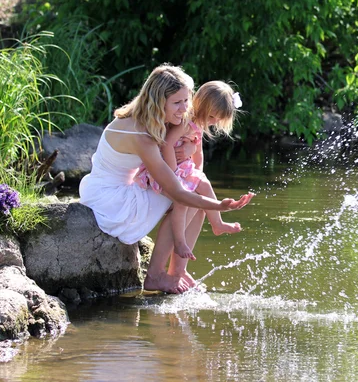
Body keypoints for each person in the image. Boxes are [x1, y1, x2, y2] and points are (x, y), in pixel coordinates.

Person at [79, 64, 254, 294]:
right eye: (177, 102)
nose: (185, 109)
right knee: (190, 197)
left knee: (196, 198)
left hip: (110, 186)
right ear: (158, 100)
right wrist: (219, 206)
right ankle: (155, 275)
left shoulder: (148, 118)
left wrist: (191, 149)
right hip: (114, 201)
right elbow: (176, 190)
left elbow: (190, 147)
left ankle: (177, 270)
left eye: (186, 101)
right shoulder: (142, 136)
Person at [134, 80, 244, 261]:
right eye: (211, 117)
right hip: (165, 168)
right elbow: (167, 144)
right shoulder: (185, 121)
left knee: (205, 185)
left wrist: (198, 174)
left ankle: (217, 224)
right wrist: (173, 174)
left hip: (182, 168)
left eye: (217, 120)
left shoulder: (198, 124)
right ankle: (179, 241)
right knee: (183, 199)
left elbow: (198, 154)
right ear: (201, 105)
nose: (213, 122)